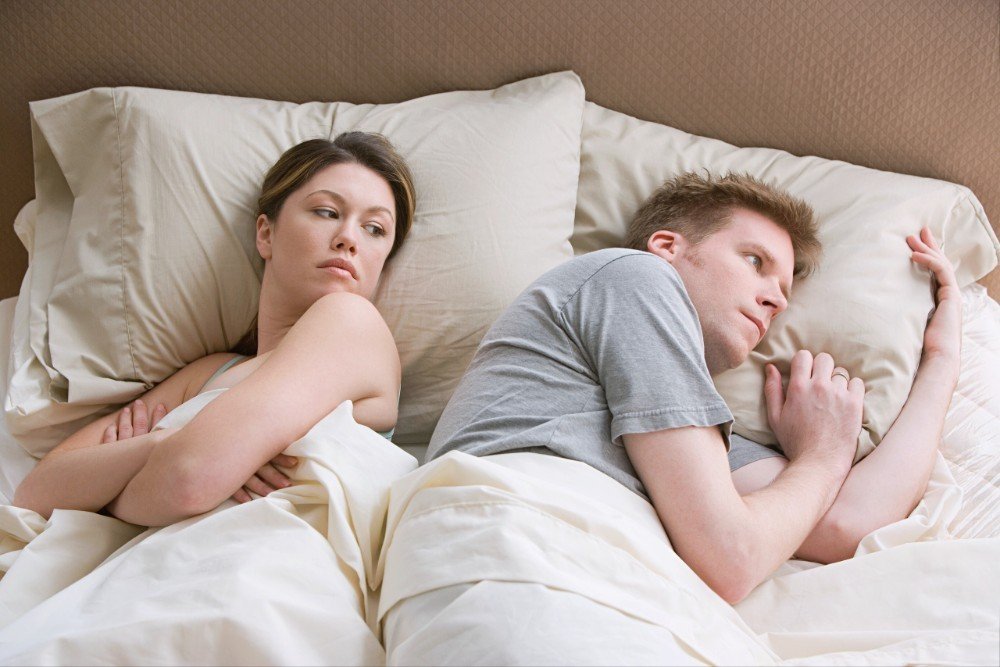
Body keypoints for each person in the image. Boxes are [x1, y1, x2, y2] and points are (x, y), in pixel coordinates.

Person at [425, 171, 961, 604]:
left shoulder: (692, 439)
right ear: (667, 246)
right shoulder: (632, 276)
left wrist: (942, 360)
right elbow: (732, 558)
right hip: (512, 543)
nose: (776, 299)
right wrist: (823, 455)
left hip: (585, 575)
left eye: (783, 292)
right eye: (755, 261)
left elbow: (849, 523)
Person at [13, 133, 417, 527]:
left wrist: (107, 489)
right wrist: (157, 444)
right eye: (327, 212)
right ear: (266, 234)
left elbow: (188, 480)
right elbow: (35, 495)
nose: (348, 239)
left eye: (375, 229)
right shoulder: (210, 373)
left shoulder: (352, 322)